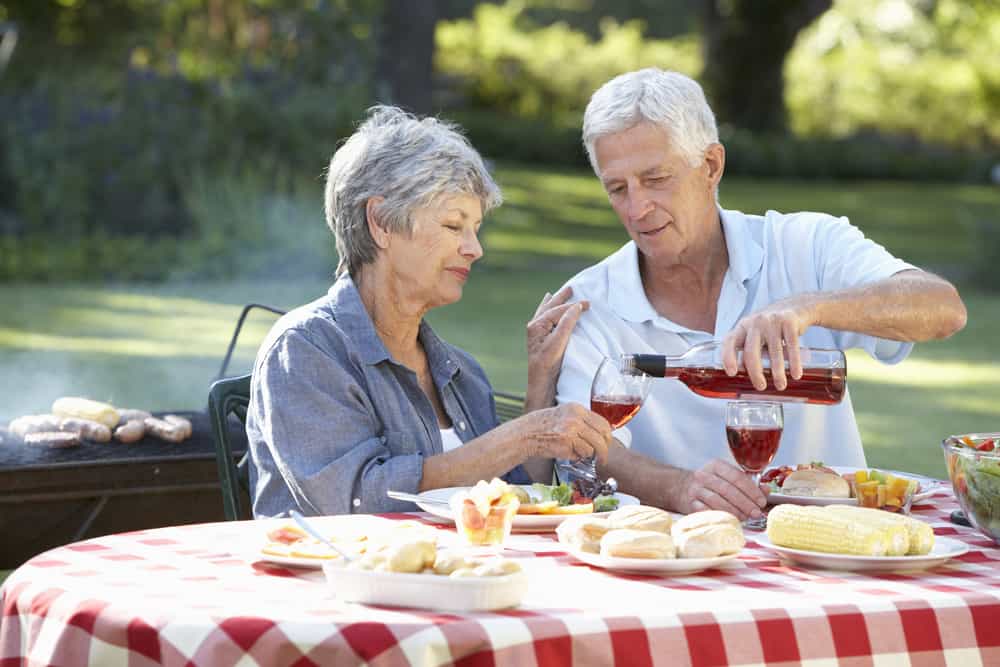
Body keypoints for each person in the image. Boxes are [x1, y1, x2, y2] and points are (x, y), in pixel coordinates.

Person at [555, 68, 967, 521]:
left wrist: (808, 307)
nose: (637, 208)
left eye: (655, 179)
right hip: (683, 561)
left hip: (834, 546)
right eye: (618, 189)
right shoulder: (589, 301)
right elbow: (588, 447)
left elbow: (942, 308)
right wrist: (680, 487)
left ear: (710, 166)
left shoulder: (806, 244)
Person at [246, 106, 613, 518]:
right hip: (334, 580)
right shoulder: (306, 350)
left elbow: (516, 495)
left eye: (475, 229)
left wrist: (541, 379)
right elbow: (353, 501)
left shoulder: (463, 375)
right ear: (381, 222)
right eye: (455, 226)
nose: (475, 249)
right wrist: (521, 437)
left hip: (454, 578)